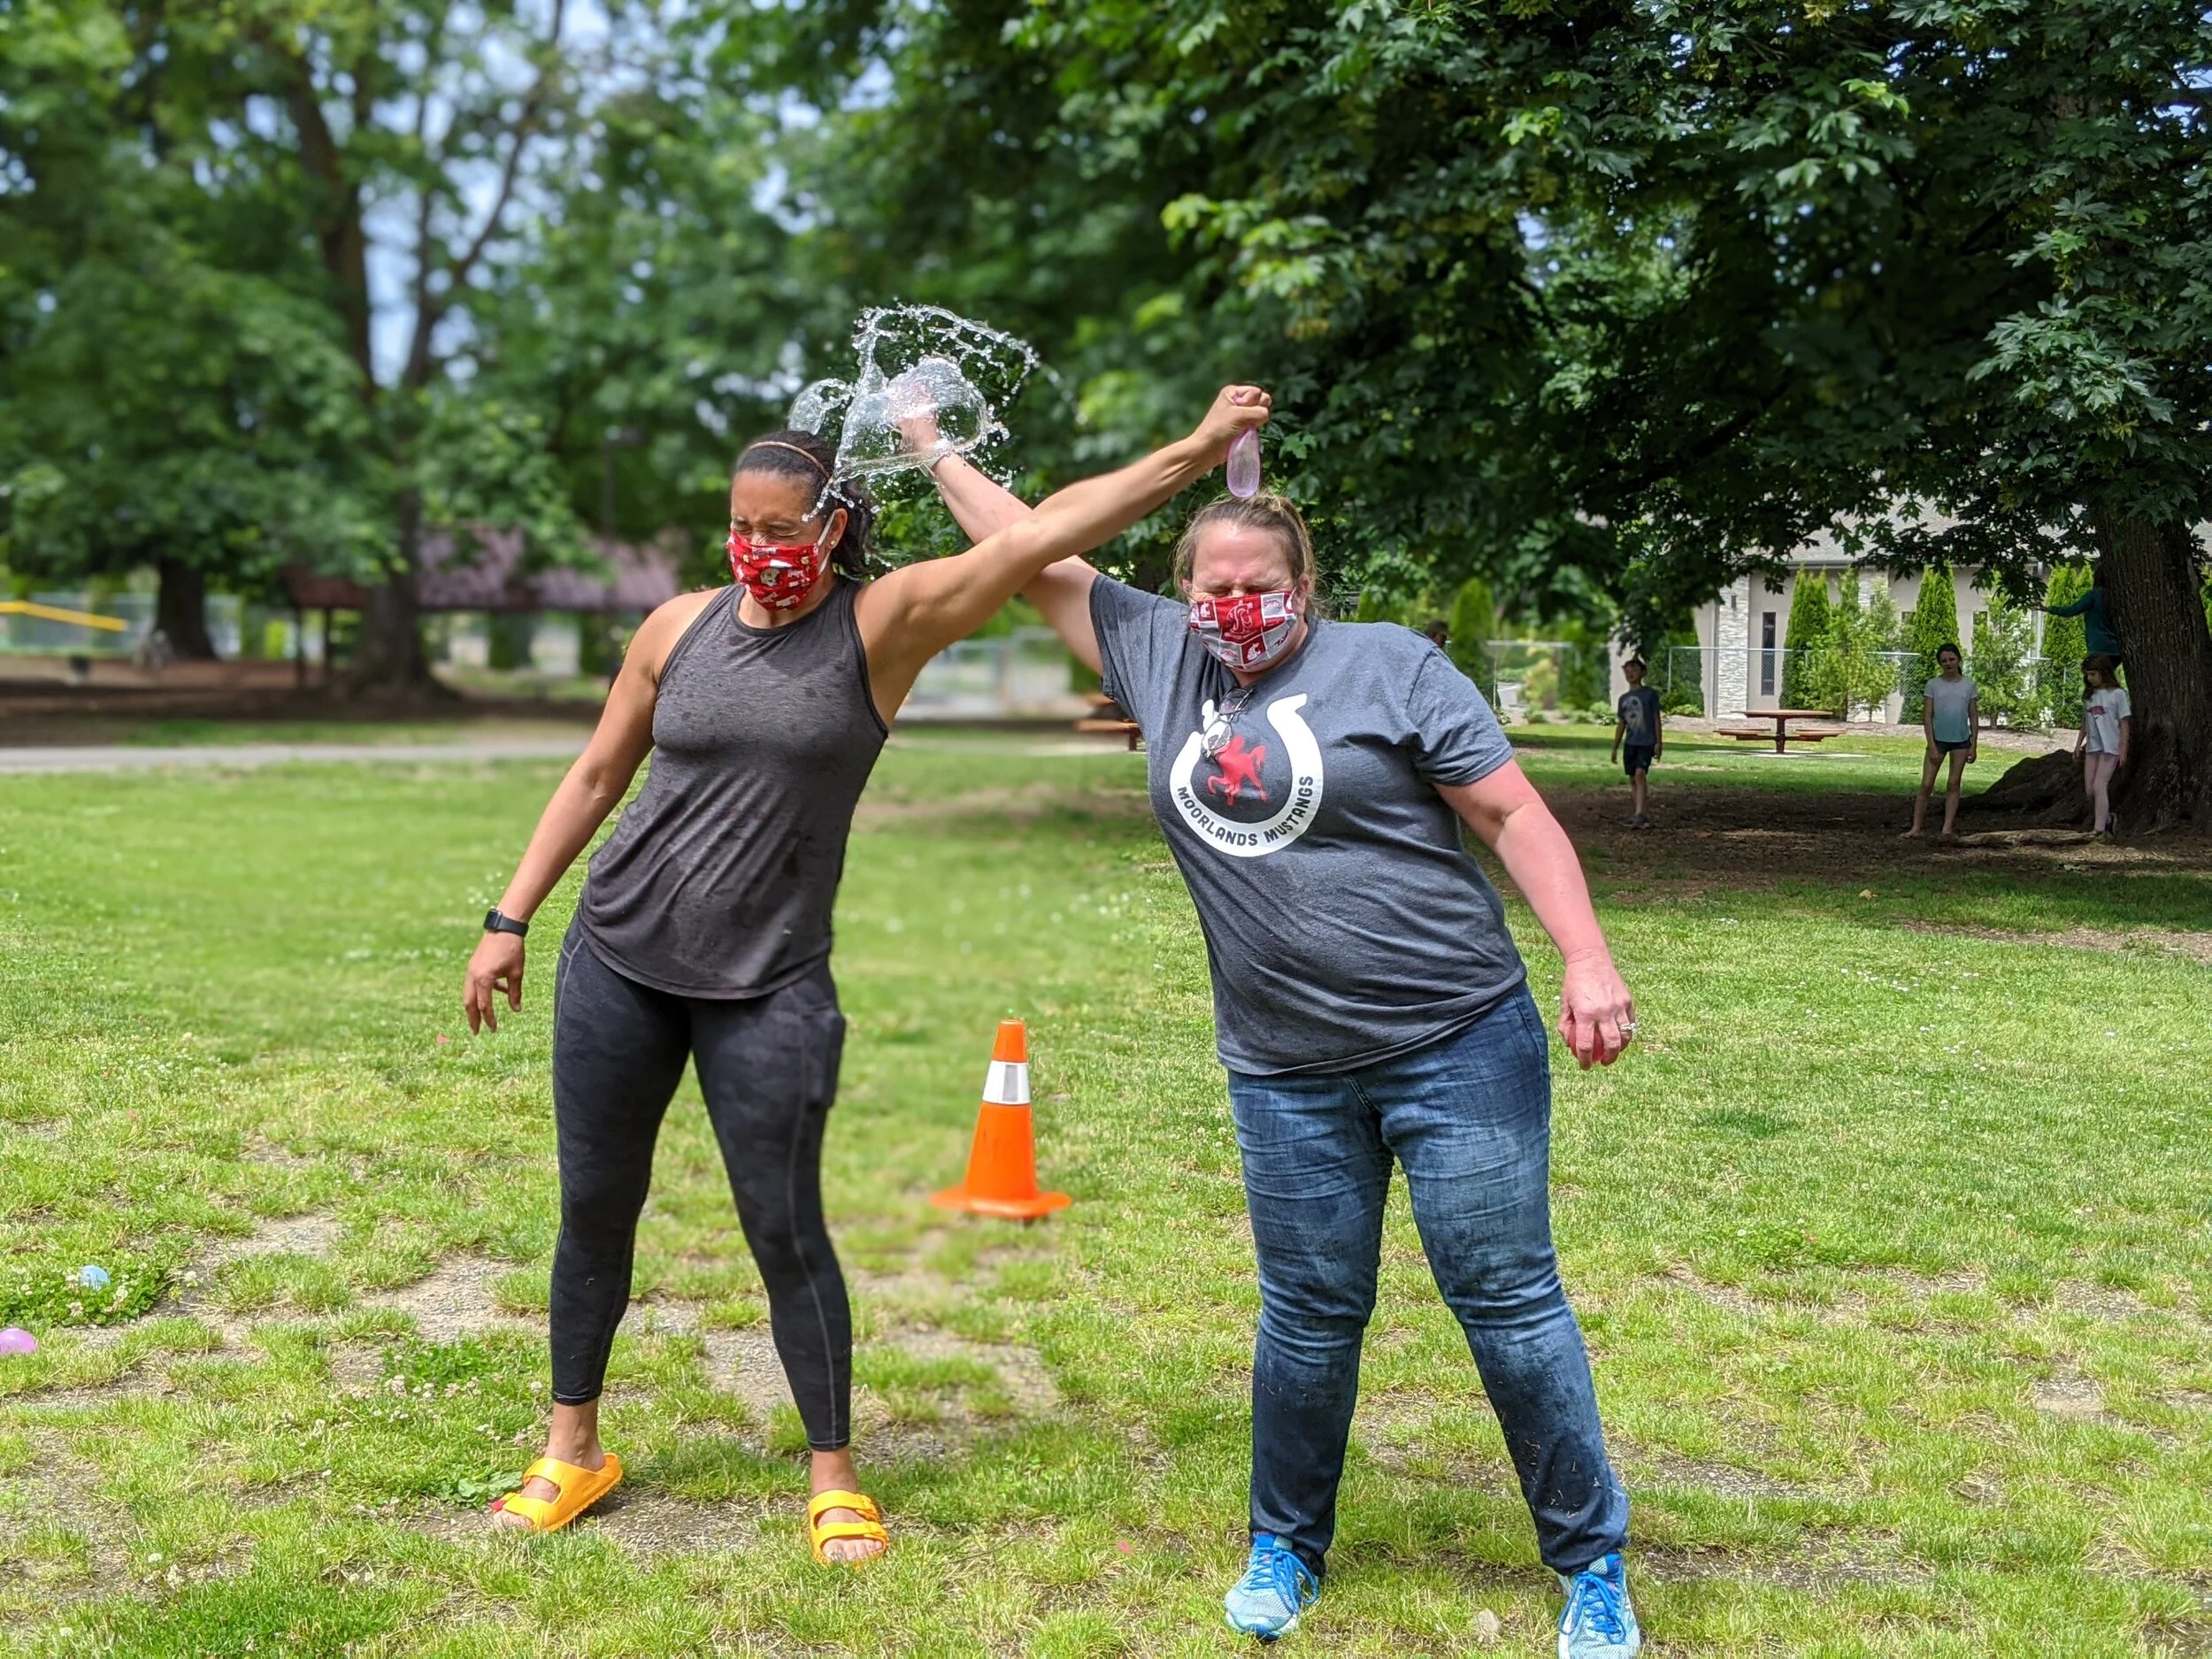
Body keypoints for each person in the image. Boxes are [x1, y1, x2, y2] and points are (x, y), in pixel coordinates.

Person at [459, 385, 1272, 1560]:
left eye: (782, 529)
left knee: (784, 1224)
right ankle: (572, 1444)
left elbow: (1045, 534)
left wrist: (1197, 451)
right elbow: (595, 776)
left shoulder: (884, 623)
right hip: (619, 956)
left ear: (832, 524)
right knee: (594, 1207)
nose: (757, 550)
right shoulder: (675, 626)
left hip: (770, 981)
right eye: (740, 526)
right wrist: (510, 913)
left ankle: (833, 1471)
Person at [920, 468, 1644, 1654]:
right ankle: (1285, 1543)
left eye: (1263, 587)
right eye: (1217, 587)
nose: (1240, 606)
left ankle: (1593, 1562)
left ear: (1304, 588)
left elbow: (1513, 815)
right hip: (1282, 1066)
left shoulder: (1392, 665)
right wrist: (933, 444)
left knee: (1507, 1300)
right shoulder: (1157, 653)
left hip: (1455, 1037)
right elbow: (1034, 545)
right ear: (1185, 592)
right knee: (1307, 1311)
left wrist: (1588, 958)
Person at [1903, 642, 1978, 841]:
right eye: (1944, 660)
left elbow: (1974, 717)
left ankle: (1946, 828)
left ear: (1959, 660)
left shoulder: (1968, 685)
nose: (1948, 663)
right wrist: (1932, 745)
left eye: (1952, 659)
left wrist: (1974, 745)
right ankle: (1916, 827)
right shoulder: (1933, 685)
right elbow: (1927, 717)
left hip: (1961, 741)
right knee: (1927, 784)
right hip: (1938, 741)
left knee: (1953, 783)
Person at [2077, 653, 2131, 835]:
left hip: (2111, 748)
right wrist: (2078, 745)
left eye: (2093, 674)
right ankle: (2108, 818)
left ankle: (2099, 830)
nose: (2089, 678)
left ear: (2104, 673)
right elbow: (2085, 722)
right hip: (2093, 747)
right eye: (2088, 675)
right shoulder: (2089, 696)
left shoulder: (2118, 695)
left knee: (2100, 785)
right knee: (2090, 790)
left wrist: (2123, 749)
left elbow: (2124, 723)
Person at [1609, 657, 1663, 828]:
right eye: (1627, 670)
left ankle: (1640, 814)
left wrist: (1659, 742)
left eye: (1634, 670)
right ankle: (1640, 813)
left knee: (1640, 774)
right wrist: (1615, 747)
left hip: (1646, 742)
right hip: (1630, 743)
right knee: (1633, 778)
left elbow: (1656, 719)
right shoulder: (1623, 698)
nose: (1630, 673)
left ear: (1643, 673)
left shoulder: (1649, 694)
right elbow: (1622, 724)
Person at [2039, 563, 2123, 666]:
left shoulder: (2094, 595)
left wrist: (2050, 609)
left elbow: (2072, 610)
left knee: (2093, 678)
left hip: (2098, 647)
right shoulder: (2118, 597)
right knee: (2106, 678)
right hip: (2116, 650)